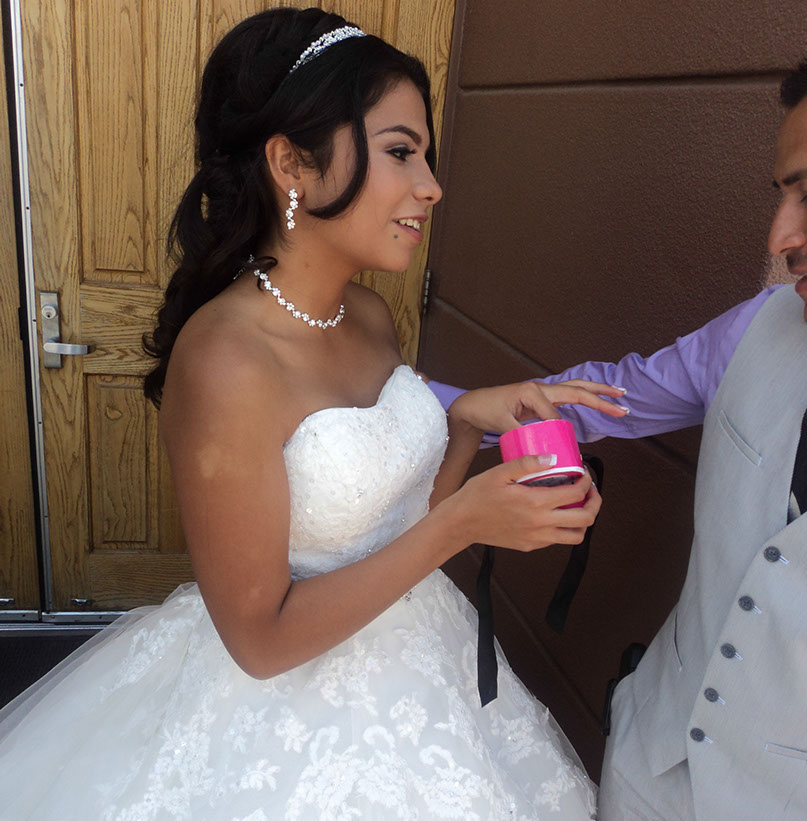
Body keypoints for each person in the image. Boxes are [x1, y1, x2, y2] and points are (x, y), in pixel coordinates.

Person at [0, 9, 630, 819]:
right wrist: (464, 524)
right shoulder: (224, 359)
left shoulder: (365, 313)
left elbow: (399, 522)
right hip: (282, 713)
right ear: (291, 162)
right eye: (400, 151)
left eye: (425, 155)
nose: (430, 185)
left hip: (421, 660)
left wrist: (467, 424)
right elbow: (261, 641)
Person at [430, 58, 807, 821]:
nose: (779, 236)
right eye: (784, 192)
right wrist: (414, 411)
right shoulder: (759, 326)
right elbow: (602, 399)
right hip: (648, 763)